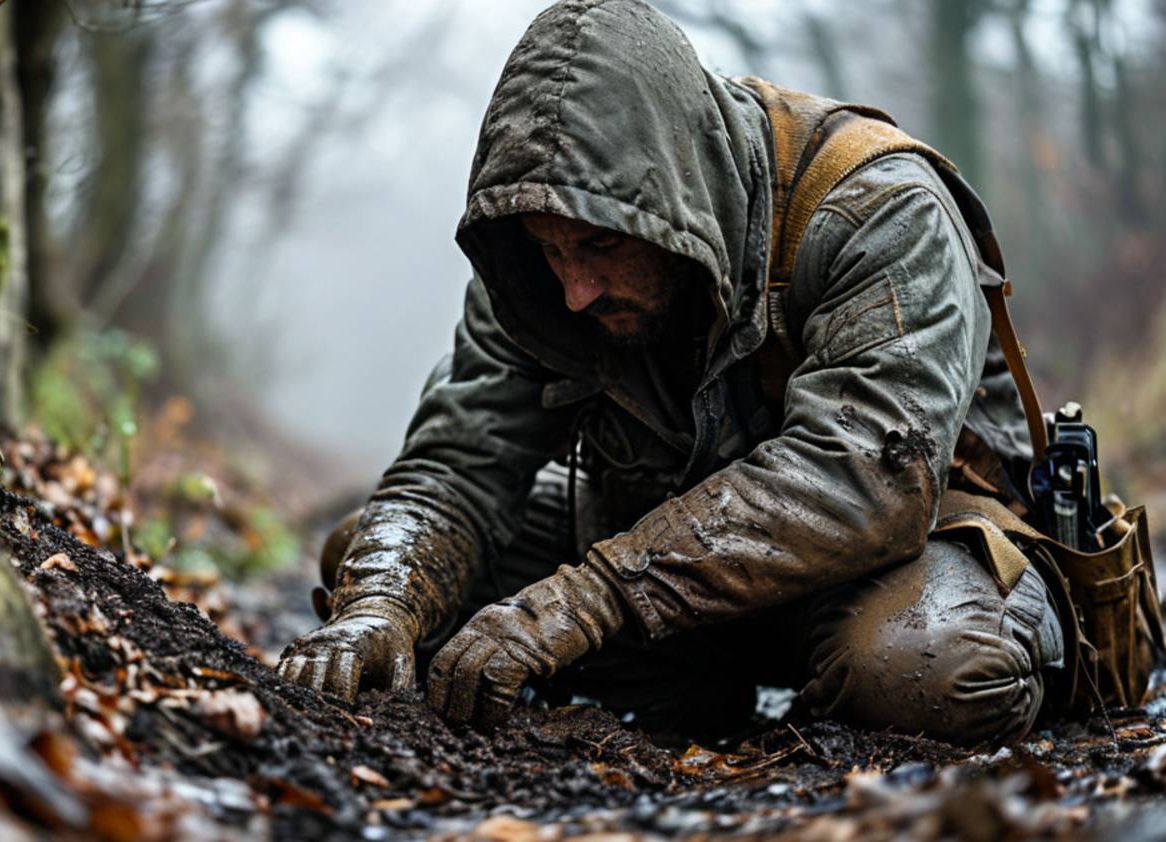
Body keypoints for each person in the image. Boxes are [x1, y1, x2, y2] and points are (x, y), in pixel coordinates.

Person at [277, 0, 1066, 746]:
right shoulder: (534, 273)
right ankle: (687, 690)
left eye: (600, 246)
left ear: (677, 190)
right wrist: (381, 601)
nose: (574, 290)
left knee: (934, 671)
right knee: (377, 572)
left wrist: (590, 601)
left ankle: (806, 692)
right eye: (551, 250)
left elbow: (867, 481)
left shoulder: (876, 211)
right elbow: (458, 462)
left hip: (890, 564)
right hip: (671, 574)